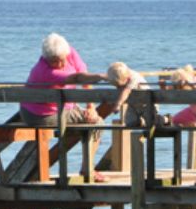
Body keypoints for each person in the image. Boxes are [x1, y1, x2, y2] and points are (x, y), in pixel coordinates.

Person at [20, 33, 108, 180]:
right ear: (47, 58)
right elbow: (77, 78)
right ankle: (88, 170)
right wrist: (101, 76)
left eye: (62, 60)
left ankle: (86, 167)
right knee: (97, 123)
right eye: (55, 61)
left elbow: (83, 73)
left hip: (58, 106)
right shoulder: (44, 72)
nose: (60, 64)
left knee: (92, 118)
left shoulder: (68, 51)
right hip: (40, 115)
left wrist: (91, 107)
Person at [106, 61, 155, 127]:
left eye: (120, 86)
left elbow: (126, 91)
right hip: (133, 105)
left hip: (147, 104)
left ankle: (166, 119)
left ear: (127, 79)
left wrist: (118, 104)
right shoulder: (123, 76)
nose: (118, 88)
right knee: (130, 123)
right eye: (116, 86)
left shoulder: (134, 77)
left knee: (152, 122)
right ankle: (139, 122)